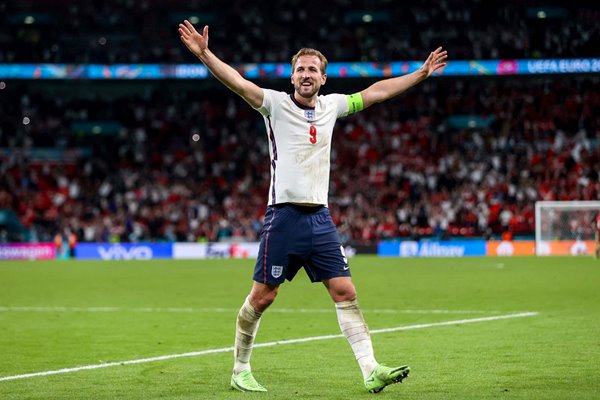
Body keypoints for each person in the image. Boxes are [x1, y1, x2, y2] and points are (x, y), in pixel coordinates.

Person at [178, 20, 448, 394]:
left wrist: (420, 74)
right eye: (300, 69)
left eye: (313, 70)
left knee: (345, 291)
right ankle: (240, 369)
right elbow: (238, 83)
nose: (306, 75)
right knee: (263, 297)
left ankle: (370, 369)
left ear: (323, 78)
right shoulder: (274, 105)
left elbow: (377, 92)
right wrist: (205, 54)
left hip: (320, 219)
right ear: (292, 77)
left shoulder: (333, 106)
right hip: (283, 217)